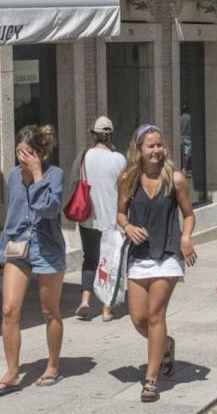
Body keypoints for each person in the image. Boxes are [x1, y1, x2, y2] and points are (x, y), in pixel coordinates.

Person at [116, 124, 197, 403]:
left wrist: (186, 237)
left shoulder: (175, 179)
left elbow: (188, 214)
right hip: (139, 255)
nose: (156, 150)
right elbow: (120, 214)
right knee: (138, 318)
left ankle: (150, 379)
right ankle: (166, 345)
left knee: (155, 314)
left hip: (167, 253)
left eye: (159, 145)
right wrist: (127, 227)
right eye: (150, 145)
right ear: (139, 149)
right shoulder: (128, 178)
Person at [0, 125, 66, 396]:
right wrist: (1, 253)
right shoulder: (12, 176)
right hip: (17, 248)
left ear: (41, 154)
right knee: (10, 309)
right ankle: (12, 372)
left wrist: (36, 175)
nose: (22, 157)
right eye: (19, 151)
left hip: (47, 247)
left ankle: (53, 365)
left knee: (50, 311)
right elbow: (12, 214)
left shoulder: (54, 174)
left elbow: (49, 208)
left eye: (29, 152)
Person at [71, 116, 126, 321]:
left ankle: (85, 301)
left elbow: (74, 182)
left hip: (88, 218)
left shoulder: (85, 156)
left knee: (90, 259)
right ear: (111, 135)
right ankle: (106, 309)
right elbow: (125, 190)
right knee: (109, 263)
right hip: (112, 220)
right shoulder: (120, 159)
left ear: (94, 135)